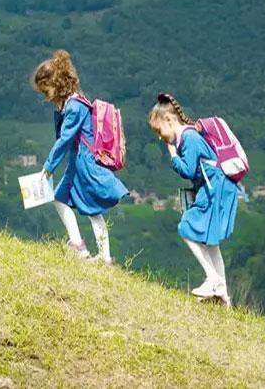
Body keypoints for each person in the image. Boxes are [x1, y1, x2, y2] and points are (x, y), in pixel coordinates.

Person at [32, 50, 128, 264]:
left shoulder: (74, 107)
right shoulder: (69, 105)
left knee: (92, 209)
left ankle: (100, 256)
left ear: (54, 83)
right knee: (60, 198)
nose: (43, 94)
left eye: (44, 88)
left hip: (86, 163)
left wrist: (48, 167)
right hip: (78, 162)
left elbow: (64, 139)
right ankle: (80, 247)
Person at [148, 93, 238, 306]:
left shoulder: (189, 139)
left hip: (213, 188)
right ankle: (223, 295)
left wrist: (173, 156)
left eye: (160, 131)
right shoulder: (190, 136)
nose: (161, 137)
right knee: (211, 242)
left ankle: (213, 280)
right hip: (218, 187)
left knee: (186, 226)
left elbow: (188, 170)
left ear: (169, 120)